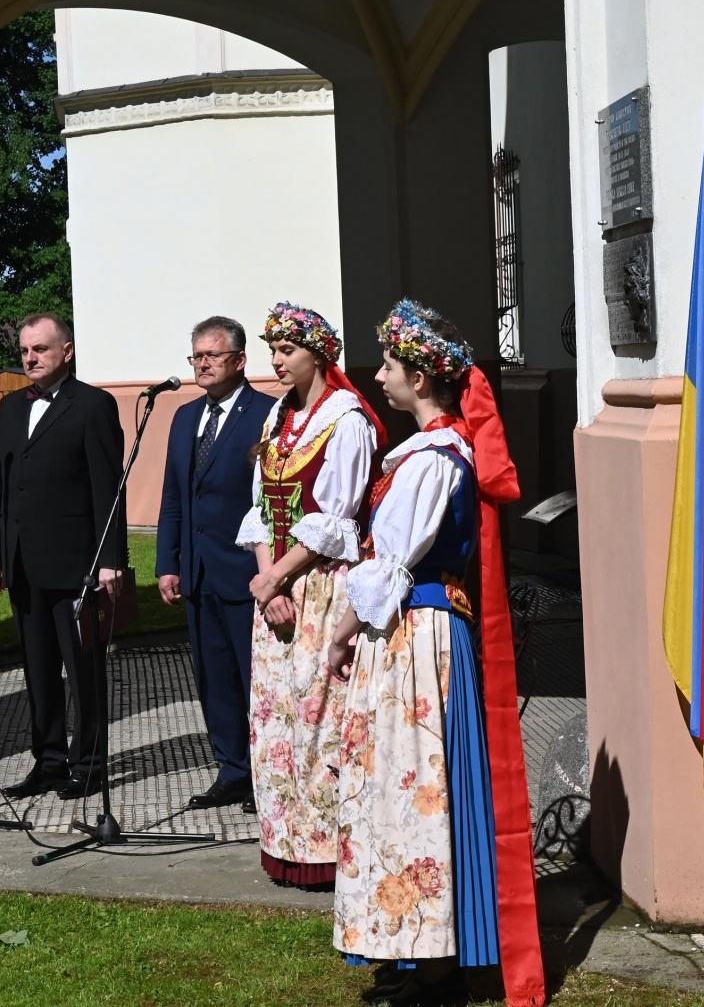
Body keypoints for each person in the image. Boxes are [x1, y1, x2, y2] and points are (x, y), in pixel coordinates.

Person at [327, 301, 544, 1007]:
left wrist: (339, 633)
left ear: (421, 379)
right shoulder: (429, 453)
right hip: (410, 634)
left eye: (390, 366)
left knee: (418, 787)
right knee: (402, 785)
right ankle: (415, 943)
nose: (381, 376)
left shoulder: (434, 459)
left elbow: (392, 561)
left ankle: (434, 953)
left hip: (418, 637)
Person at [235, 302, 383, 888]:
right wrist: (266, 580)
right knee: (275, 717)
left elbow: (336, 517)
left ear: (318, 354)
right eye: (273, 350)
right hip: (276, 589)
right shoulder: (276, 418)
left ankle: (327, 850)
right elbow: (259, 507)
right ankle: (284, 844)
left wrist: (280, 577)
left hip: (323, 587)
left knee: (322, 712)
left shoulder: (345, 419)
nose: (276, 361)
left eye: (287, 351)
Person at [0, 313, 127, 800]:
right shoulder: (8, 408)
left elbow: (110, 491)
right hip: (24, 564)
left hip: (76, 566)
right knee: (38, 671)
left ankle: (89, 765)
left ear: (66, 351)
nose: (30, 358)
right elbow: (0, 487)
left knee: (82, 671)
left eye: (40, 349)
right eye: (24, 350)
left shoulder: (93, 406)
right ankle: (48, 761)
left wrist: (111, 560)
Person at [156, 317, 274, 813]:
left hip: (247, 570)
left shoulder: (267, 414)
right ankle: (232, 771)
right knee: (213, 677)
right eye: (196, 356)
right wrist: (168, 562)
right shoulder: (185, 417)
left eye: (212, 356)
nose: (202, 364)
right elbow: (174, 496)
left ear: (240, 360)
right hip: (198, 571)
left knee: (254, 679)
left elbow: (272, 502)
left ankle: (267, 775)